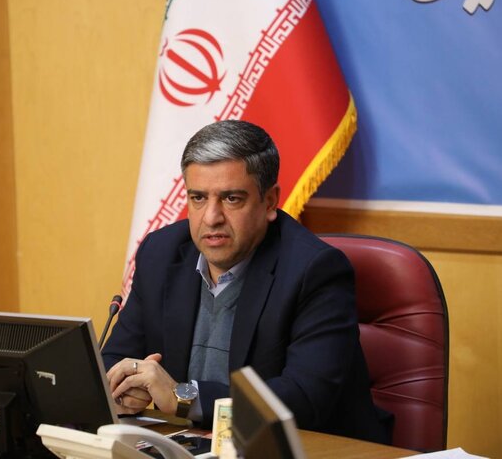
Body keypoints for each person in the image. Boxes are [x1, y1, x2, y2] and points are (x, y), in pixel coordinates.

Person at [102, 120, 392, 443]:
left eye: (231, 199)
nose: (211, 217)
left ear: (270, 202)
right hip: (195, 446)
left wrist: (185, 398)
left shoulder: (315, 271)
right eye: (198, 198)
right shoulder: (162, 253)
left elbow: (303, 398)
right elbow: (114, 359)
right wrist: (123, 387)